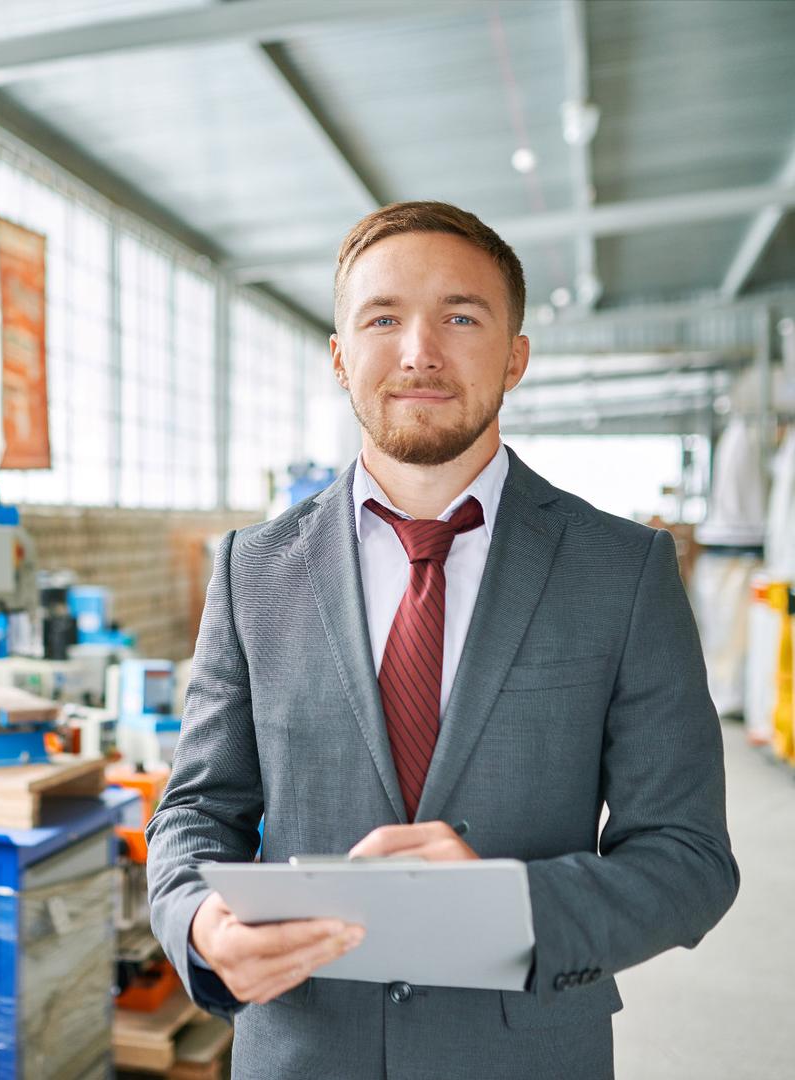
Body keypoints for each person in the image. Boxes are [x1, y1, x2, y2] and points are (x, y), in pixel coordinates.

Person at [146, 201, 739, 1080]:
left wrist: (510, 908)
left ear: (517, 355)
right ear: (341, 356)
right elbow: (197, 810)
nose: (420, 351)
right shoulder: (252, 570)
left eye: (461, 317)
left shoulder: (623, 571)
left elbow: (687, 858)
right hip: (303, 1048)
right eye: (382, 318)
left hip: (524, 1053)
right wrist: (199, 920)